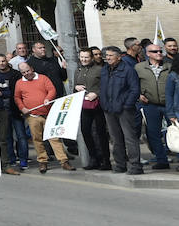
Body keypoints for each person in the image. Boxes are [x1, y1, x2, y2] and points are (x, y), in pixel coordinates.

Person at [100, 45, 143, 175]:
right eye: (106, 56)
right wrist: (104, 104)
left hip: (124, 109)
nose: (107, 58)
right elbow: (103, 88)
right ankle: (120, 164)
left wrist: (127, 105)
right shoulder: (104, 70)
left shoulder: (128, 70)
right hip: (109, 109)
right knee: (115, 138)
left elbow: (135, 89)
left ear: (119, 57)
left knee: (130, 138)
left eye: (110, 56)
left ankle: (135, 165)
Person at [73, 48, 111, 170]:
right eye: (82, 57)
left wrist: (96, 93)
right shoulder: (78, 70)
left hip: (97, 105)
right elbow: (75, 87)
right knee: (86, 132)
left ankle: (105, 160)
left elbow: (106, 85)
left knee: (100, 133)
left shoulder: (100, 70)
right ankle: (93, 158)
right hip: (84, 105)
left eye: (86, 57)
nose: (84, 59)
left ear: (92, 58)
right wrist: (76, 87)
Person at [136, 43, 171, 170]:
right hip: (149, 105)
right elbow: (133, 84)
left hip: (169, 105)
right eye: (155, 51)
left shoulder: (169, 67)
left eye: (160, 51)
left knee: (174, 132)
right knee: (153, 133)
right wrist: (138, 95)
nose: (159, 53)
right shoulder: (139, 68)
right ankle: (162, 160)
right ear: (148, 54)